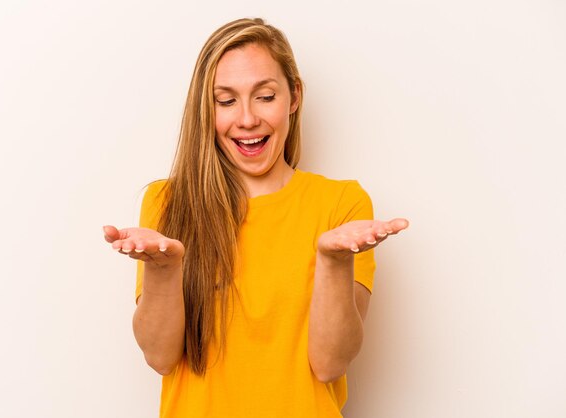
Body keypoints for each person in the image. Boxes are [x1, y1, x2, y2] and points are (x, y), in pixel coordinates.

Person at [103, 17, 408, 418]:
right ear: (204, 108)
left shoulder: (342, 204)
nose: (246, 119)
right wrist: (164, 270)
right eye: (225, 101)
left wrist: (333, 262)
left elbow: (331, 364)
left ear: (294, 96)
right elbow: (160, 357)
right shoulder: (168, 201)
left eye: (264, 97)